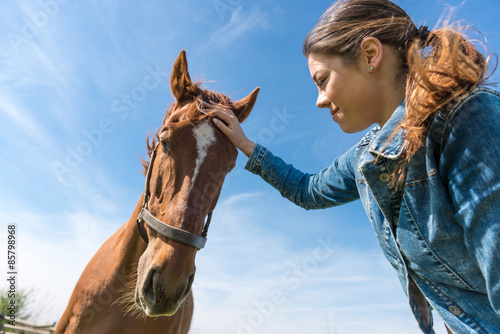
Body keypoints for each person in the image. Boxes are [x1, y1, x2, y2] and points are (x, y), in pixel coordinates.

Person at [204, 0, 500, 333]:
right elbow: (308, 190)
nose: (319, 100)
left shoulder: (467, 120)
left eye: (322, 80)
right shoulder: (365, 157)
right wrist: (245, 145)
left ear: (371, 55)